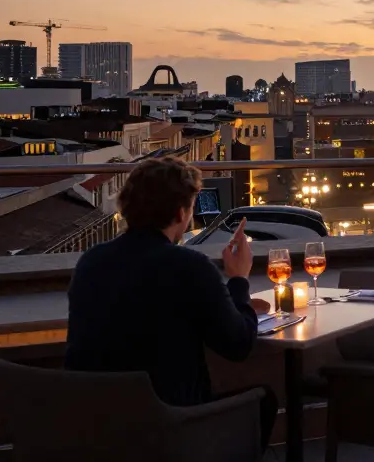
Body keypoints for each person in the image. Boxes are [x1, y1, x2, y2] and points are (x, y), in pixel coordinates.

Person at [65, 157, 275, 448]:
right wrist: (238, 278)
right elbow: (237, 344)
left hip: (97, 430)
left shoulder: (90, 262)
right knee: (263, 400)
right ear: (180, 213)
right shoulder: (189, 266)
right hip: (170, 428)